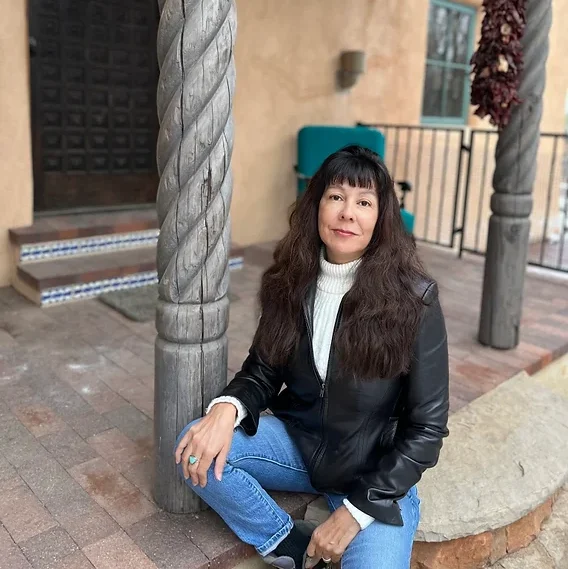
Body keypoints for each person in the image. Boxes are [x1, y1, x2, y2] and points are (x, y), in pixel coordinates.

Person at [175, 145, 449, 569]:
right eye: (336, 197)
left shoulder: (415, 300)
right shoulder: (289, 280)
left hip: (373, 474)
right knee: (194, 449)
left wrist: (356, 512)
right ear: (317, 204)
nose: (347, 213)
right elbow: (264, 369)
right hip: (300, 445)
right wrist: (225, 410)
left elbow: (427, 428)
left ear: (381, 219)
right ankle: (285, 543)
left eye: (364, 202)